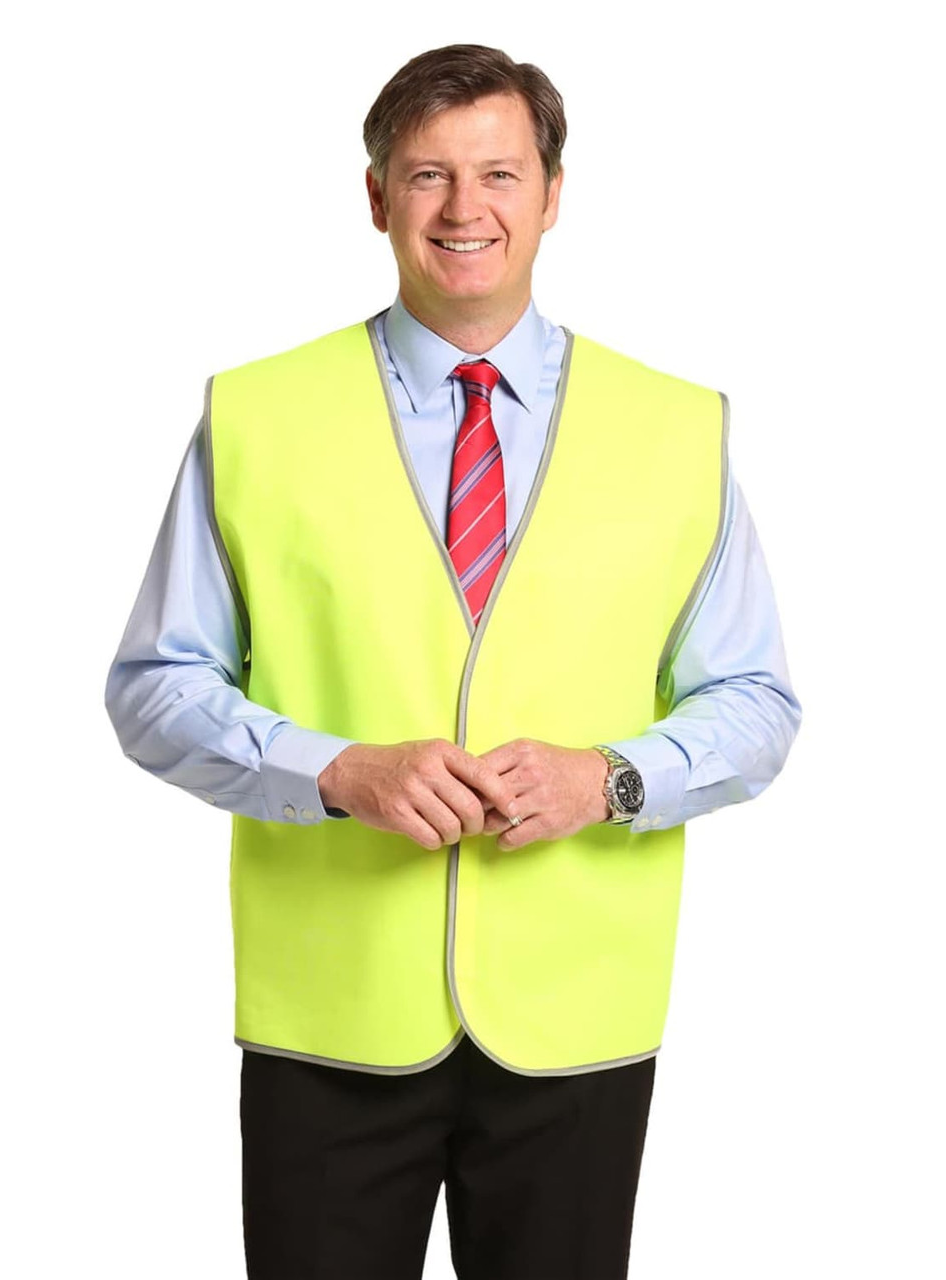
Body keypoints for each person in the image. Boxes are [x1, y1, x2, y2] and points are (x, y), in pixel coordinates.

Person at [105, 42, 801, 1280]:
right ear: (376, 197)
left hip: (578, 1016)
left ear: (551, 193)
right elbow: (156, 683)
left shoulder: (677, 426)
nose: (464, 209)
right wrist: (332, 770)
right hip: (329, 1018)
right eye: (427, 175)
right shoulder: (255, 415)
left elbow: (753, 698)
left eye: (498, 172)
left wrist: (614, 778)